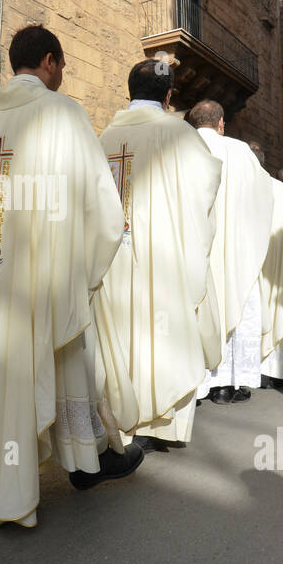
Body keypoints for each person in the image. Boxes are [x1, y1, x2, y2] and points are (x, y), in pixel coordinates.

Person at [0, 24, 140, 529]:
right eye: (62, 66)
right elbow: (106, 213)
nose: (62, 75)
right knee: (66, 363)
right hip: (39, 281)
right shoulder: (62, 113)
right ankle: (83, 462)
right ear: (49, 61)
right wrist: (81, 275)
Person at [99, 58, 222, 444]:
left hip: (112, 257)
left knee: (120, 332)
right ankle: (162, 424)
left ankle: (121, 417)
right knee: (160, 330)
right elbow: (203, 192)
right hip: (162, 258)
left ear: (129, 93)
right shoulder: (179, 133)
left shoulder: (103, 137)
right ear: (170, 96)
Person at [187, 101, 274, 405]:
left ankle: (193, 388)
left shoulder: (180, 146)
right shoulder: (241, 152)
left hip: (194, 247)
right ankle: (226, 386)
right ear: (221, 123)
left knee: (194, 313)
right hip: (235, 249)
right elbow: (263, 199)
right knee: (233, 309)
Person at [249, 148, 283, 390]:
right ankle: (274, 370)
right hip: (277, 261)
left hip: (250, 262)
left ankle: (247, 372)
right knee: (275, 309)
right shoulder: (282, 190)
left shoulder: (243, 185)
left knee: (251, 311)